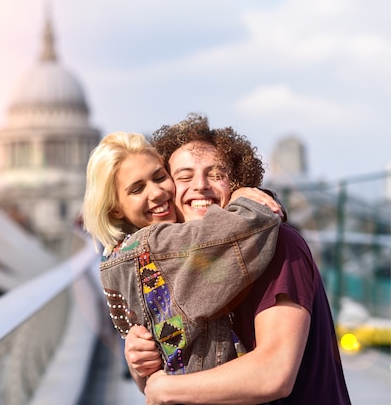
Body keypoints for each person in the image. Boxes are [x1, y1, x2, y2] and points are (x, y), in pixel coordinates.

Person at [125, 113, 351, 404]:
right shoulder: (175, 263)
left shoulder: (280, 245)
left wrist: (164, 389)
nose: (200, 185)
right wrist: (140, 362)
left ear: (238, 183)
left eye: (217, 174)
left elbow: (274, 374)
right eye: (184, 176)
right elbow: (173, 374)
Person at [82, 131, 283, 389]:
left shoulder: (115, 257)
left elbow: (150, 377)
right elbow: (254, 224)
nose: (156, 193)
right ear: (115, 208)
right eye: (137, 189)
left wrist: (136, 362)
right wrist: (245, 195)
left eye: (159, 177)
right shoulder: (161, 244)